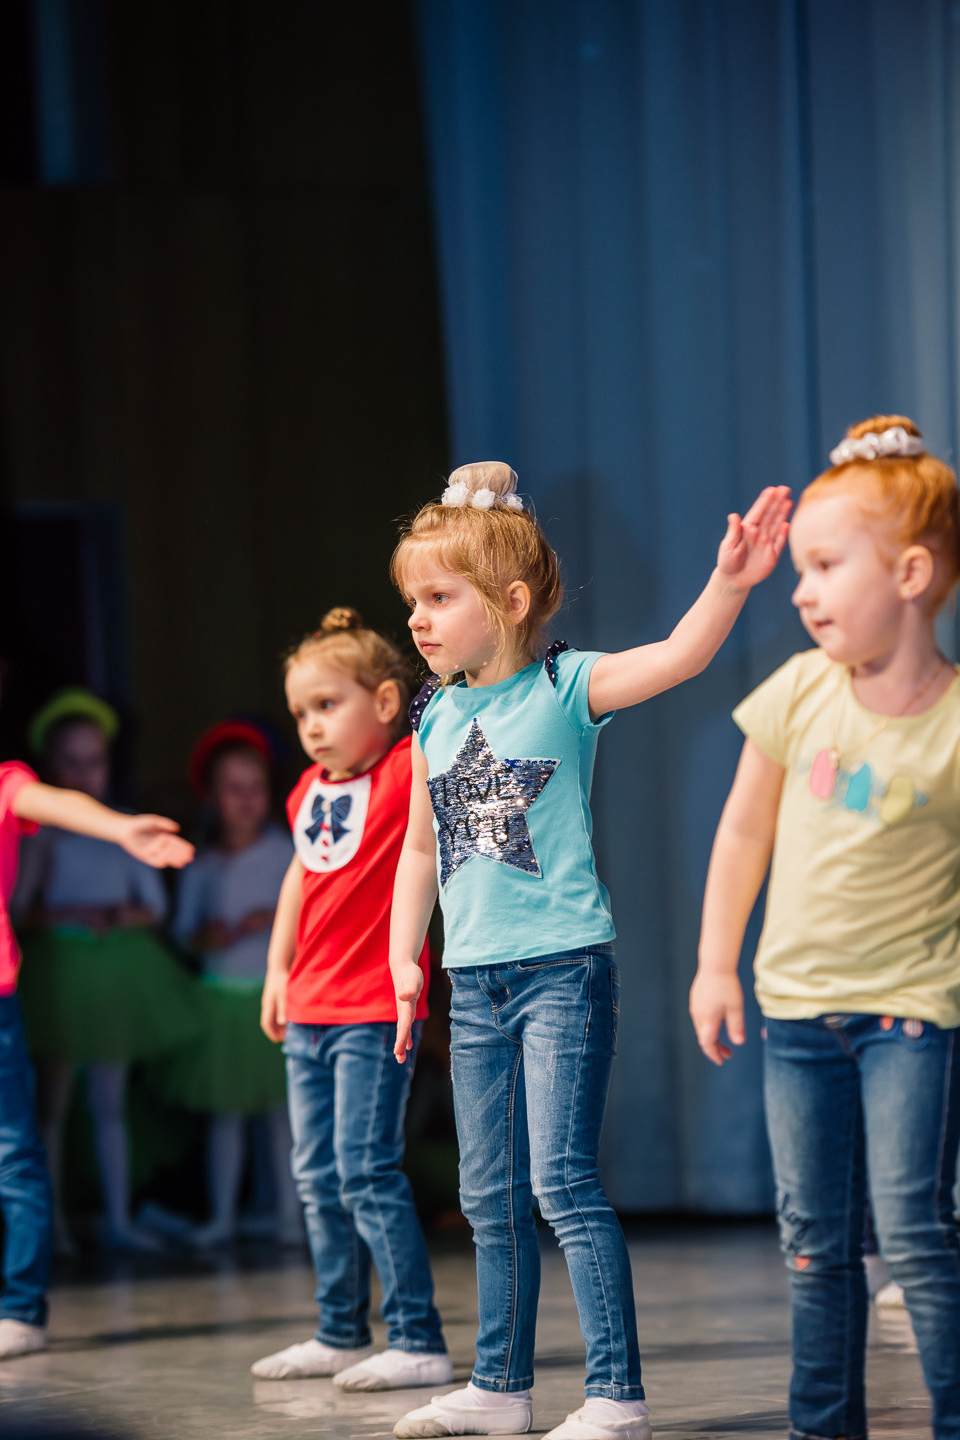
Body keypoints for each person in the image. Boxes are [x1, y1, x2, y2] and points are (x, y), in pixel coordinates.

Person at [388, 463, 791, 1440]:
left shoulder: (565, 685)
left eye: (439, 598)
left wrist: (729, 582)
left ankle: (615, 1394)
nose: (418, 619)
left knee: (561, 1183)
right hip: (472, 983)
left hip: (562, 972)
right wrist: (406, 959)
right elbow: (421, 848)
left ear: (510, 602)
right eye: (412, 601)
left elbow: (678, 657)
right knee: (485, 1195)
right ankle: (498, 1386)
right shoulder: (433, 714)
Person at [689, 416, 960, 1440]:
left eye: (825, 566)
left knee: (916, 1233)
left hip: (911, 1018)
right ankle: (822, 1429)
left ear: (910, 574)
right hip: (798, 1017)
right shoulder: (799, 691)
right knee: (813, 1243)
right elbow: (741, 832)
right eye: (798, 569)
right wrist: (715, 965)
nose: (801, 592)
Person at [252, 607, 452, 1392]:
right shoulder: (308, 787)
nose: (311, 725)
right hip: (309, 1008)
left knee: (367, 1171)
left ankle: (416, 1337)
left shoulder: (405, 768)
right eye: (300, 710)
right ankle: (338, 1330)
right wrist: (277, 968)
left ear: (385, 702)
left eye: (328, 704)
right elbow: (300, 877)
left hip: (370, 1008)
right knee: (315, 1175)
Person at [0, 676, 193, 1359]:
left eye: (94, 760)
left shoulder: (15, 789)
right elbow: (30, 902)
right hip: (62, 973)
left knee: (31, 1136)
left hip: (75, 982)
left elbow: (49, 803)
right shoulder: (44, 839)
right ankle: (56, 1236)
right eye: (72, 761)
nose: (84, 771)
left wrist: (119, 830)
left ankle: (31, 1295)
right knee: (46, 1113)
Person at [155, 721, 298, 1247]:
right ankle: (222, 1218)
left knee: (281, 1119)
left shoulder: (286, 851)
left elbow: (310, 919)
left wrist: (275, 919)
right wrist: (204, 937)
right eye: (233, 789)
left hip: (272, 1000)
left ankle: (288, 1217)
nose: (246, 799)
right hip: (218, 1004)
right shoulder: (201, 865)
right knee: (226, 1120)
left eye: (255, 787)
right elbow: (180, 933)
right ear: (212, 797)